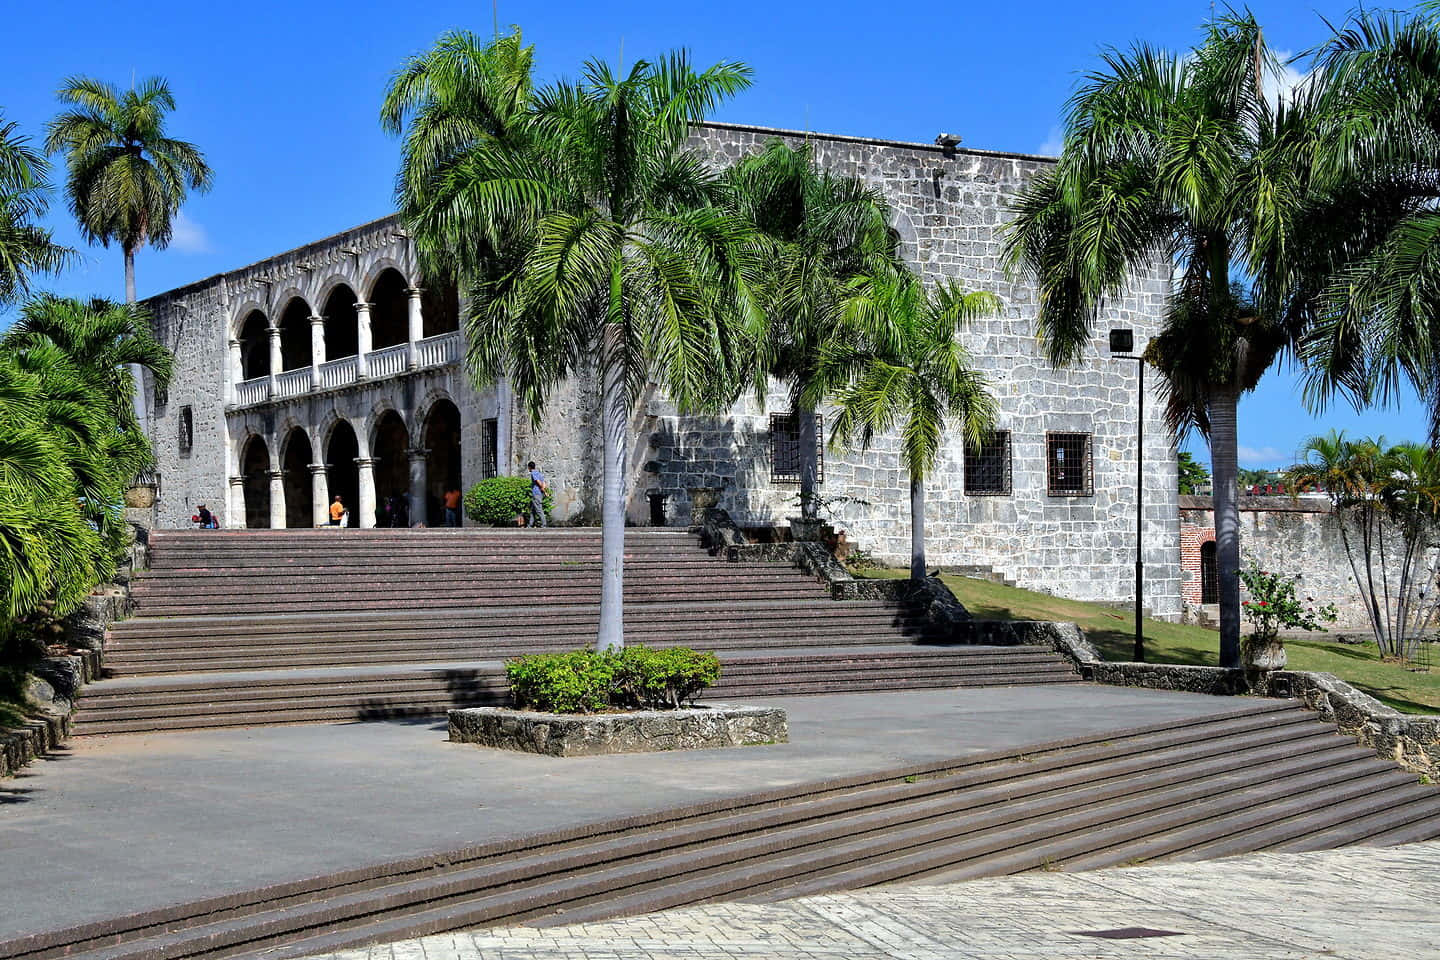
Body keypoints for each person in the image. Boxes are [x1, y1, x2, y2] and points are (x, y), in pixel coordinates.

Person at [528, 461, 548, 528]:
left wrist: (542, 488)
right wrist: (544, 490)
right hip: (539, 493)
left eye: (528, 467)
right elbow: (544, 482)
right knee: (533, 510)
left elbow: (538, 481)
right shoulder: (539, 473)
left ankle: (544, 524)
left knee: (539, 510)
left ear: (529, 467)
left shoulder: (533, 473)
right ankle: (530, 525)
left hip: (536, 493)